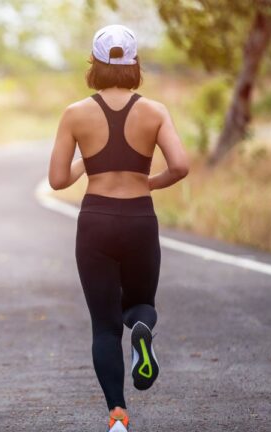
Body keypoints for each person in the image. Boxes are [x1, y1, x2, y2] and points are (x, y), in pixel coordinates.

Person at [47, 24, 190, 432]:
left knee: (105, 326)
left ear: (94, 64)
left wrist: (89, 161)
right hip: (140, 220)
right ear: (134, 64)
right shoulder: (154, 111)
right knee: (140, 304)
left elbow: (57, 180)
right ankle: (142, 331)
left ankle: (117, 417)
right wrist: (150, 182)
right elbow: (180, 166)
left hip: (96, 222)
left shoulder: (75, 113)